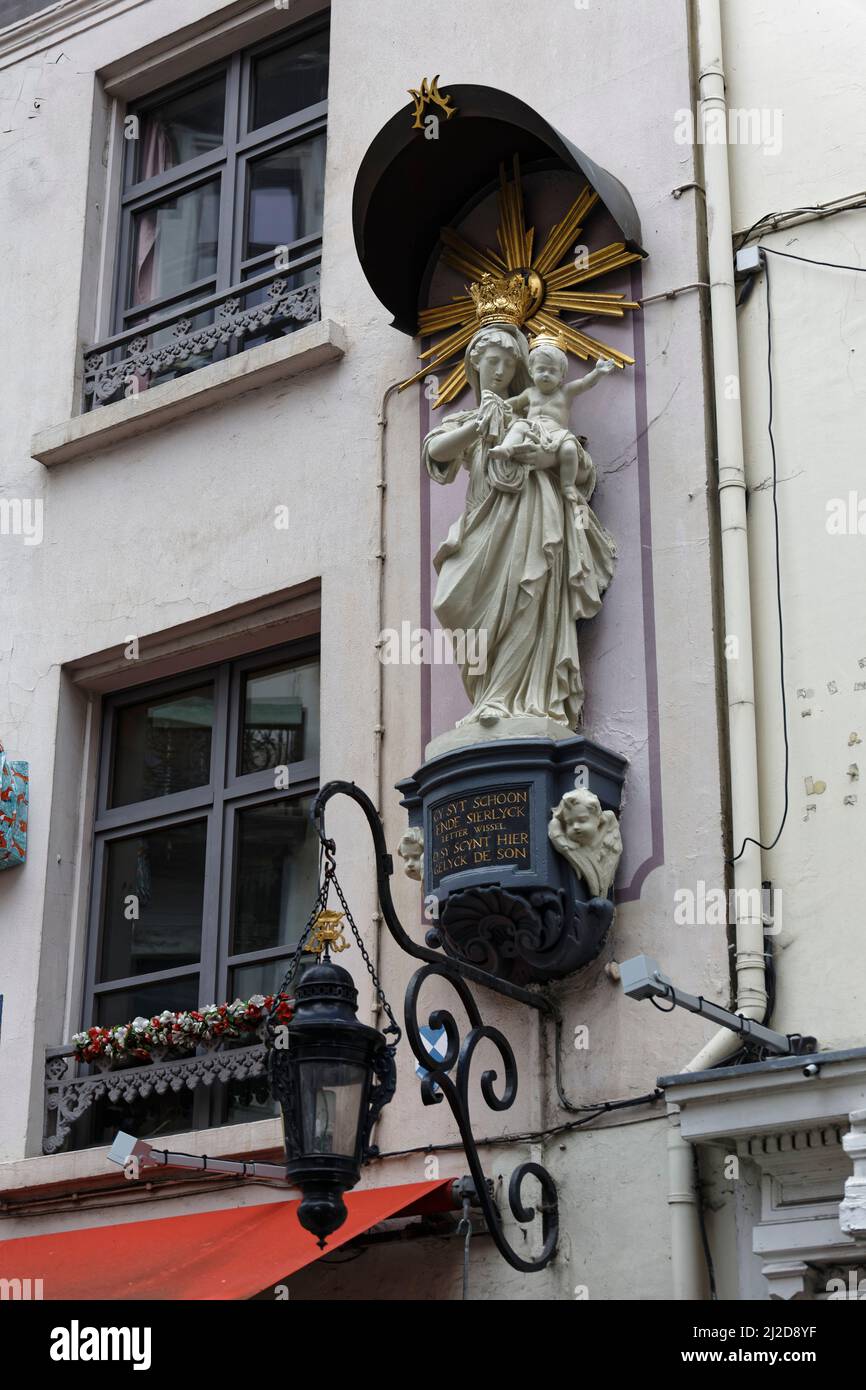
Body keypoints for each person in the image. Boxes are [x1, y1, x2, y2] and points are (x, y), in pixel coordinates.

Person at [423, 322, 616, 730]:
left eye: (509, 366)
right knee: (451, 600)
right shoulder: (471, 418)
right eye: (492, 362)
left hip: (532, 519)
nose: (499, 373)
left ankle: (511, 700)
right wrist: (476, 426)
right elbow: (436, 454)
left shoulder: (532, 414)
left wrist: (544, 460)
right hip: (483, 526)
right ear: (474, 363)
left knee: (528, 597)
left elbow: (581, 466)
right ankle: (487, 693)